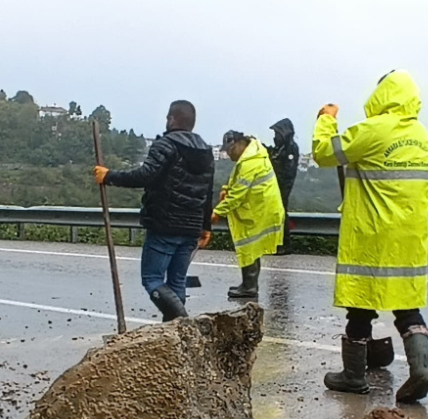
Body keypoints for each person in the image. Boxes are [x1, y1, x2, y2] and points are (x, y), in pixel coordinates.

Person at [311, 70, 428, 404]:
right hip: (409, 237)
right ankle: (420, 369)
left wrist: (326, 120)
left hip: (372, 233)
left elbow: (325, 153)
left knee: (360, 307)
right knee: (406, 306)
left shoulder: (372, 131)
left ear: (382, 93)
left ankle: (353, 377)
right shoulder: (424, 137)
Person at [95, 101, 215, 321]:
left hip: (165, 224)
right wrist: (205, 226)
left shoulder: (166, 145)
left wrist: (109, 176)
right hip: (191, 228)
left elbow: (145, 175)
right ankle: (176, 334)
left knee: (152, 279)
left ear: (171, 119)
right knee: (176, 282)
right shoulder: (206, 151)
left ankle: (182, 322)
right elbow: (208, 191)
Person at [213, 131, 286, 299]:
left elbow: (238, 194)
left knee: (249, 246)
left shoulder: (250, 163)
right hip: (260, 208)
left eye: (230, 150)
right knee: (252, 247)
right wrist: (226, 189)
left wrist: (217, 212)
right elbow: (237, 182)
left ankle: (249, 287)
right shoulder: (251, 157)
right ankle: (249, 284)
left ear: (238, 144)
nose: (229, 154)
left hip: (261, 210)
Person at [266, 118, 300, 254]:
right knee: (276, 213)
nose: (275, 137)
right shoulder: (280, 148)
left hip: (283, 184)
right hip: (275, 184)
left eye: (277, 133)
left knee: (281, 213)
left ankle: (284, 244)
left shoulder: (290, 147)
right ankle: (276, 243)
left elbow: (287, 170)